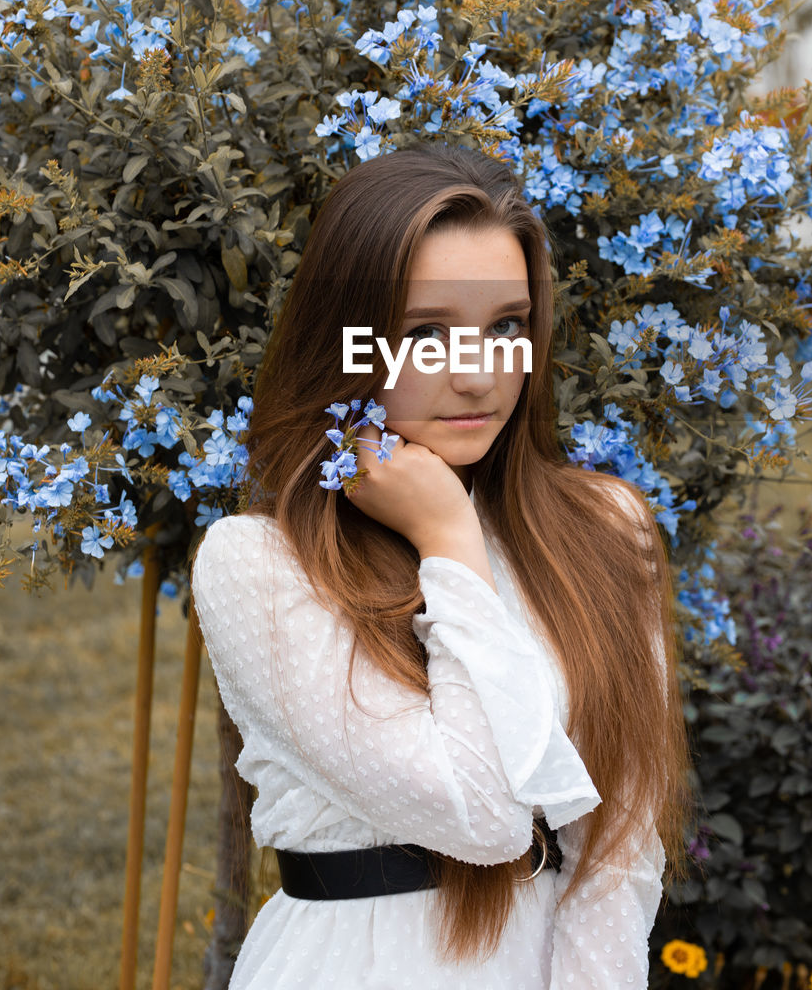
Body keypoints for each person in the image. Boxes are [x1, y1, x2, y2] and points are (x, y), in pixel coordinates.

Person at [191, 140, 690, 989]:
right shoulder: (260, 567)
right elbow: (482, 815)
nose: (476, 375)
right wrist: (449, 541)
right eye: (425, 334)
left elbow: (619, 851)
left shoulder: (605, 527)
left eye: (506, 327)